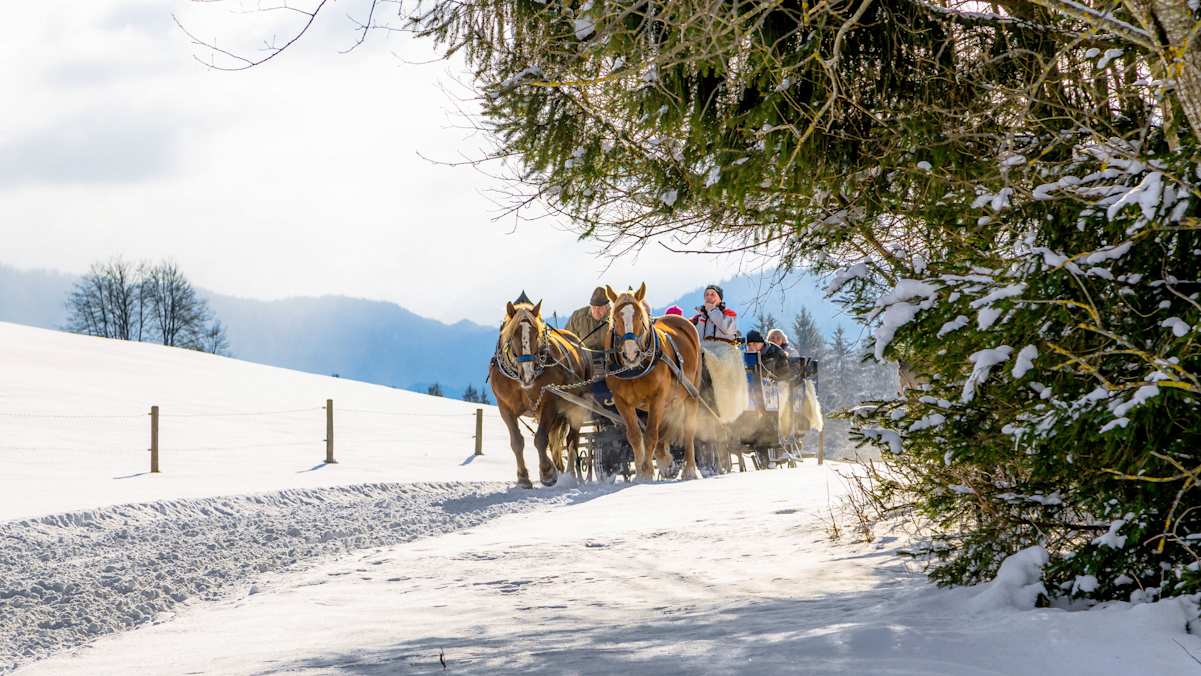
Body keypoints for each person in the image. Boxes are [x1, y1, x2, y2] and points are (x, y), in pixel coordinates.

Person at [566, 286, 611, 352]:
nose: (596, 311)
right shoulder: (578, 317)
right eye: (594, 307)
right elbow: (567, 337)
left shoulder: (614, 318)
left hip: (608, 357)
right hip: (583, 358)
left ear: (607, 307)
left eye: (600, 308)